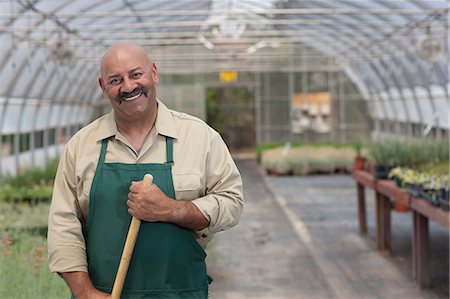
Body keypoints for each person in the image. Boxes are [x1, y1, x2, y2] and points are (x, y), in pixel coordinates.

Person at [47, 43, 244, 299]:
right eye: (115, 80)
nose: (128, 87)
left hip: (179, 293)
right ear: (102, 87)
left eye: (136, 74)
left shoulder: (200, 137)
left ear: (153, 73)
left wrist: (171, 209)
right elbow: (63, 224)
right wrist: (84, 292)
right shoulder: (81, 146)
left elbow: (232, 202)